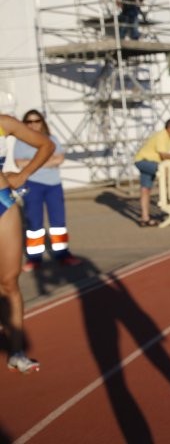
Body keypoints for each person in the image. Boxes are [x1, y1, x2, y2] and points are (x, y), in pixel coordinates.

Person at [0, 113, 54, 373]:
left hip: (2, 203)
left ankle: (17, 351)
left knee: (9, 282)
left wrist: (23, 175)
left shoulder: (4, 123)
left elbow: (47, 145)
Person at [14, 110, 81, 272]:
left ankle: (63, 254)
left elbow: (60, 159)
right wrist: (46, 160)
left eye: (36, 121)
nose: (33, 124)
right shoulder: (21, 142)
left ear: (42, 122)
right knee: (34, 223)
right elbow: (19, 163)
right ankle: (34, 258)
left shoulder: (52, 139)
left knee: (58, 223)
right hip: (32, 185)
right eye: (29, 122)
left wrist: (33, 163)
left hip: (53, 185)